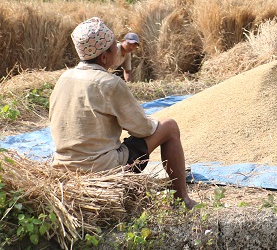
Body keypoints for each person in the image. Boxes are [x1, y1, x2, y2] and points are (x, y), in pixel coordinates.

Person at [49, 17, 195, 207]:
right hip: (102, 169)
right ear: (103, 57)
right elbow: (143, 129)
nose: (117, 51)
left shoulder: (64, 78)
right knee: (169, 127)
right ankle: (182, 199)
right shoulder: (110, 83)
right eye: (113, 48)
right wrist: (150, 121)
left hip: (64, 167)